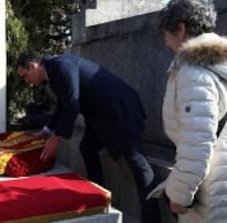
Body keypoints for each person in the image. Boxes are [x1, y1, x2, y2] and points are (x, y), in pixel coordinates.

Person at [17, 53, 158, 223]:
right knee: (87, 147)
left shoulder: (61, 66)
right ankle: (98, 197)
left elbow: (72, 104)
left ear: (33, 65)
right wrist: (47, 130)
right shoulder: (52, 72)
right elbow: (63, 104)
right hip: (101, 116)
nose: (27, 81)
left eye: (25, 76)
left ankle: (152, 219)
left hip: (120, 111)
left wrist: (56, 137)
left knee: (138, 164)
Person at [153, 0, 227, 222]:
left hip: (212, 190)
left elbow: (197, 142)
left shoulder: (194, 73)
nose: (166, 42)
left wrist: (180, 195)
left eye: (166, 34)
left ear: (181, 30)